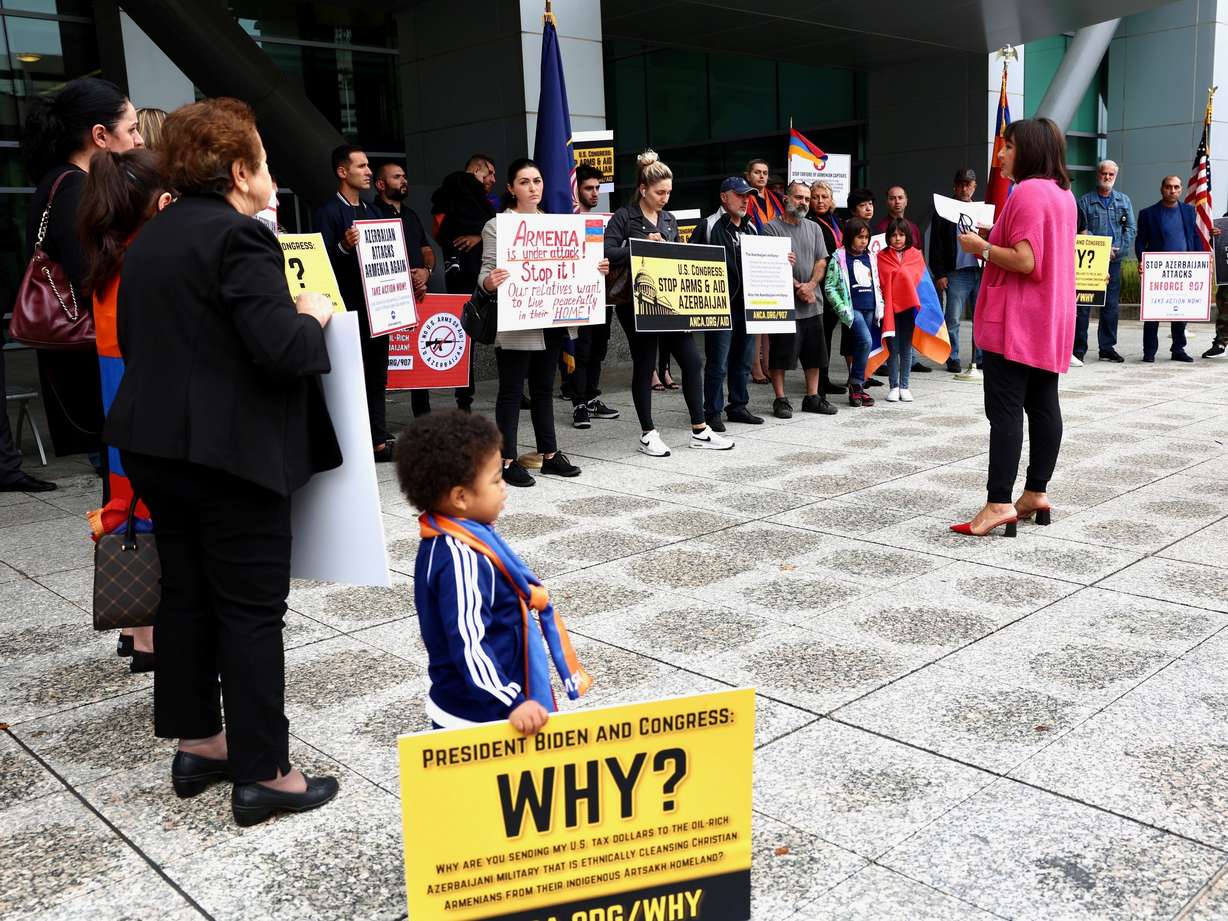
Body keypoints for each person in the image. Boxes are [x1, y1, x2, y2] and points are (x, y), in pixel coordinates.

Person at [104, 97, 342, 823]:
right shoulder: (241, 239)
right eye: (264, 161)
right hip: (228, 456)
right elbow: (283, 351)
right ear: (241, 172)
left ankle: (201, 742)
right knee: (249, 609)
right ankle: (266, 770)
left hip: (155, 447)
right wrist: (312, 313)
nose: (269, 174)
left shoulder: (151, 237)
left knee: (186, 594)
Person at [396, 410, 591, 731]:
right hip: (478, 714)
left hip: (481, 700)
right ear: (460, 497)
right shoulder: (460, 557)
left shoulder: (454, 534)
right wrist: (511, 701)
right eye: (495, 479)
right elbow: (468, 642)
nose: (504, 488)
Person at [952, 117, 1075, 537]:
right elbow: (1036, 250)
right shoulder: (1063, 194)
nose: (1000, 155)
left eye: (1007, 147)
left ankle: (998, 502)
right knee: (1043, 405)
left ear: (1028, 150)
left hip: (1015, 322)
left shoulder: (1026, 192)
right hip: (1048, 318)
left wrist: (980, 246)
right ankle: (1036, 491)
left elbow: (1025, 261)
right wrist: (996, 234)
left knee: (1004, 412)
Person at [79, 147, 172, 672]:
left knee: (131, 507)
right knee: (150, 509)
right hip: (147, 405)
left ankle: (139, 632)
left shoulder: (108, 254)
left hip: (121, 406)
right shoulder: (146, 256)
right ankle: (148, 635)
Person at [20, 76, 143, 466]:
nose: (139, 140)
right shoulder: (74, 188)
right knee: (115, 469)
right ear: (100, 136)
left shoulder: (66, 182)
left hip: (86, 353)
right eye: (133, 129)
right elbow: (92, 275)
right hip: (91, 354)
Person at [605, 150, 732, 455]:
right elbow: (607, 252)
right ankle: (648, 432)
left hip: (670, 302)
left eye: (669, 192)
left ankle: (700, 429)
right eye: (660, 192)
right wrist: (643, 246)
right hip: (636, 303)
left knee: (692, 360)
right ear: (644, 189)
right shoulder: (624, 216)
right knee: (645, 363)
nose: (665, 198)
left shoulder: (669, 219)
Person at [479, 158, 596, 486]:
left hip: (551, 318)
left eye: (537, 181)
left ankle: (549, 455)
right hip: (517, 320)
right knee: (512, 391)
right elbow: (485, 273)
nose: (533, 188)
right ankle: (507, 460)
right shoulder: (498, 225)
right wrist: (491, 282)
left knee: (544, 388)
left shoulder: (557, 225)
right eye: (525, 182)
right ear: (511, 188)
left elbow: (573, 267)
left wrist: (593, 270)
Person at [314, 145, 395, 461]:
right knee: (348, 378)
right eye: (361, 166)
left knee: (377, 377)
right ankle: (349, 439)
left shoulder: (375, 213)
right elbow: (320, 263)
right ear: (342, 171)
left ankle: (377, 439)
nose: (368, 171)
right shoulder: (327, 213)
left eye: (368, 165)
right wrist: (343, 247)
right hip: (346, 311)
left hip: (377, 308)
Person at [691, 176, 763, 428]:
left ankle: (738, 406)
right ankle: (712, 412)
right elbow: (692, 263)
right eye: (740, 194)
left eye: (748, 195)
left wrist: (781, 260)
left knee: (742, 361)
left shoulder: (752, 227)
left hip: (748, 305)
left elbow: (764, 260)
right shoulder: (709, 225)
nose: (746, 200)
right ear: (724, 197)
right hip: (719, 306)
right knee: (717, 363)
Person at [762, 181, 837, 417]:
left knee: (814, 354)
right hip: (785, 305)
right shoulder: (770, 229)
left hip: (813, 303)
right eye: (799, 197)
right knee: (781, 354)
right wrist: (798, 287)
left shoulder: (814, 228)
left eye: (807, 198)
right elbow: (771, 264)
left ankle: (812, 397)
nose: (803, 202)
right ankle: (781, 399)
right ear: (786, 199)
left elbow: (821, 261)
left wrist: (811, 286)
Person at [371, 160, 435, 416]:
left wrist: (426, 272)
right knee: (384, 365)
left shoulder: (411, 215)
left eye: (404, 176)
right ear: (380, 184)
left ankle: (423, 417)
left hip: (418, 293)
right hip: (388, 298)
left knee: (418, 358)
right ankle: (379, 426)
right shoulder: (371, 214)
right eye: (397, 177)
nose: (403, 181)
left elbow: (427, 250)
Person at [567, 163, 620, 429]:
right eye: (589, 188)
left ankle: (590, 398)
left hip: (603, 296)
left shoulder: (606, 222)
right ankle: (578, 404)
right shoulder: (565, 221)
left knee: (599, 349)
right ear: (576, 190)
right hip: (577, 298)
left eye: (598, 188)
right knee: (583, 351)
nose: (595, 193)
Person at [1075, 159, 1134, 363]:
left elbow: (1130, 229)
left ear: (1115, 176)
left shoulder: (1124, 201)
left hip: (1114, 261)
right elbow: (1081, 229)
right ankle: (1078, 349)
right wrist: (1102, 250)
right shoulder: (1084, 201)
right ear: (1098, 175)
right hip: (1090, 263)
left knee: (1111, 306)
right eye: (1104, 174)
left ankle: (1107, 348)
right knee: (1083, 305)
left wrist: (1116, 252)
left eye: (1111, 175)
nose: (1107, 177)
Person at [1136, 175, 1200, 363]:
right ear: (1162, 188)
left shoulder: (1189, 212)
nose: (1172, 190)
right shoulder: (1148, 213)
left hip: (1184, 269)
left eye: (1176, 187)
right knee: (1152, 312)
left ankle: (1178, 349)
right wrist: (1142, 260)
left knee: (1181, 311)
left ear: (1180, 190)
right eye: (1169, 187)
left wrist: (1202, 262)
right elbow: (1141, 241)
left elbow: (1194, 237)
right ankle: (1149, 351)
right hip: (1158, 271)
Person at [929, 168, 983, 373]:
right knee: (952, 318)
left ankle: (979, 357)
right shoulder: (944, 209)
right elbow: (935, 245)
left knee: (981, 317)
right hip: (955, 272)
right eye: (960, 184)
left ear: (974, 186)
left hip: (979, 271)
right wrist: (940, 273)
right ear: (954, 185)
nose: (964, 188)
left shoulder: (982, 210)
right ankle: (953, 356)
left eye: (968, 184)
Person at [825, 218, 878, 407]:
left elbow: (876, 282)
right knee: (865, 341)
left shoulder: (871, 256)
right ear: (849, 237)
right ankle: (856, 384)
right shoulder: (839, 257)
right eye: (859, 237)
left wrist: (880, 304)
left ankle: (857, 387)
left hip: (870, 307)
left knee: (862, 346)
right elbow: (830, 287)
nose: (863, 241)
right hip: (852, 308)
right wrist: (842, 309)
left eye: (866, 237)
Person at [809, 180, 850, 394]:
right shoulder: (809, 222)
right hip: (819, 285)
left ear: (831, 199)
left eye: (824, 197)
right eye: (815, 197)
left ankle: (824, 378)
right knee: (821, 335)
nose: (820, 201)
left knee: (828, 334)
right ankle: (820, 381)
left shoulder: (836, 221)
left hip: (836, 285)